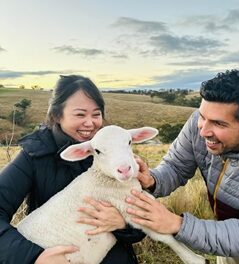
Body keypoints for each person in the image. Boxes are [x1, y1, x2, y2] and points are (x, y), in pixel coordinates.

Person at [125, 69, 239, 264]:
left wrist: (176, 224)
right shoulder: (199, 124)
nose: (203, 131)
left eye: (219, 124)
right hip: (224, 230)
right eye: (202, 116)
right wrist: (152, 179)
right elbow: (176, 166)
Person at [0, 75, 145, 264]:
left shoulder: (115, 153)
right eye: (80, 114)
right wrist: (34, 257)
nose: (90, 123)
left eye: (96, 114)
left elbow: (143, 222)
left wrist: (123, 224)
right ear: (57, 115)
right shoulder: (34, 155)